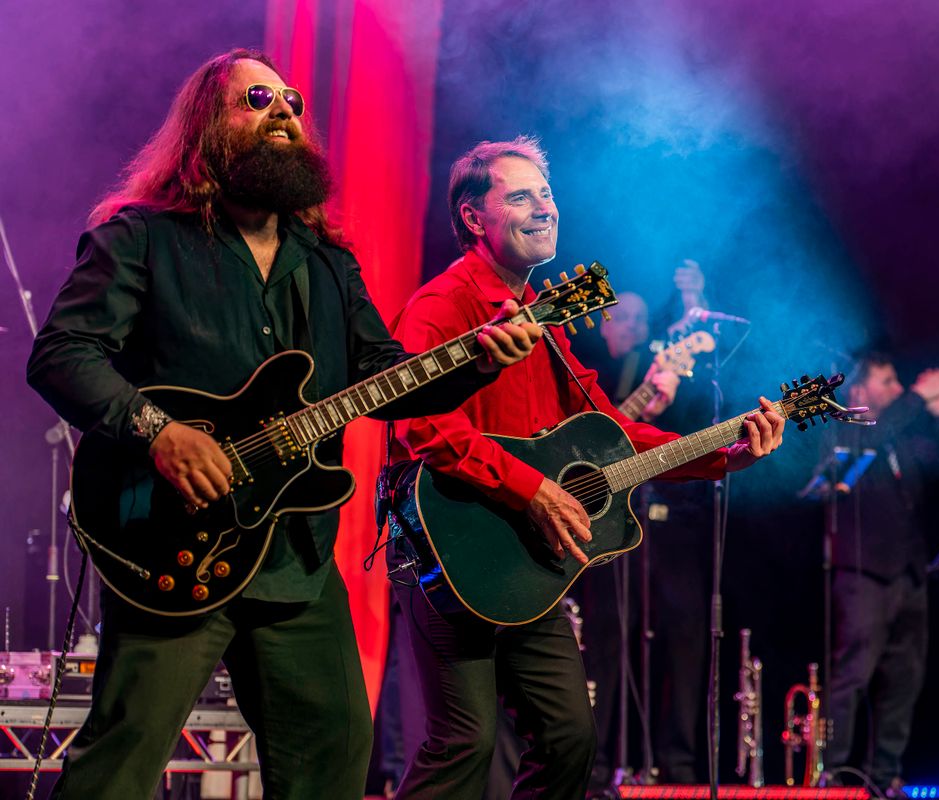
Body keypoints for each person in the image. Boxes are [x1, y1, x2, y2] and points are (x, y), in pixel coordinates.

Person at [25, 49, 540, 800]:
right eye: (258, 97)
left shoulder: (327, 262)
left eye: (293, 100)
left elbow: (383, 379)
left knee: (335, 752)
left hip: (294, 558)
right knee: (121, 763)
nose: (285, 111)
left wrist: (480, 360)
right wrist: (159, 431)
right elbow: (64, 352)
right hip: (173, 542)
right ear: (208, 125)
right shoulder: (141, 237)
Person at [387, 136, 786, 800]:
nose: (544, 207)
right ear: (471, 217)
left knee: (570, 739)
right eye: (520, 195)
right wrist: (532, 488)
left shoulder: (550, 317)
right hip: (450, 551)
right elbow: (420, 423)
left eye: (547, 193)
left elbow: (614, 434)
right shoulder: (442, 306)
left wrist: (727, 453)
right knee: (465, 743)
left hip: (524, 564)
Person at [569, 260, 719, 788]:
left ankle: (677, 763)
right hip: (604, 528)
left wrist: (693, 303)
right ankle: (599, 761)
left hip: (668, 520)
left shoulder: (662, 368)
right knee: (606, 639)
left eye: (640, 318)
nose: (634, 326)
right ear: (604, 324)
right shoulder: (585, 374)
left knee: (683, 632)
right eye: (623, 317)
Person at [822, 353, 939, 797]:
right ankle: (834, 776)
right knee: (852, 675)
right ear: (858, 392)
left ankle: (883, 776)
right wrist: (919, 394)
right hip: (863, 571)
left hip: (909, 574)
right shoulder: (851, 428)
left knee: (904, 680)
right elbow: (881, 430)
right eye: (887, 381)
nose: (898, 390)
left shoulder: (903, 434)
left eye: (899, 383)